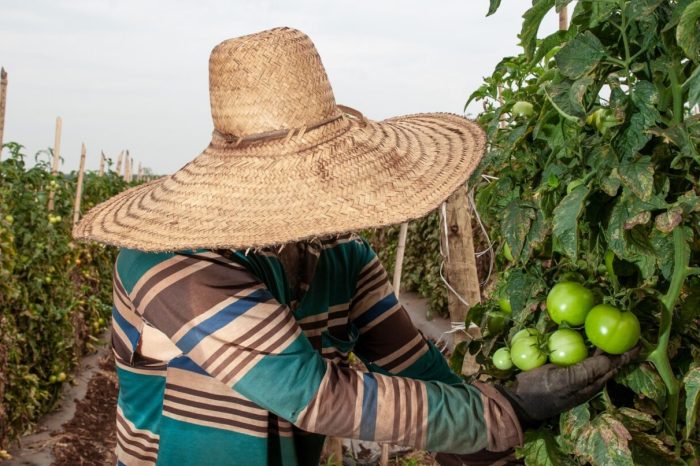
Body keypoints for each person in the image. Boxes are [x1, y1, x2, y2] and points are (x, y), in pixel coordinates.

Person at [74, 27, 638, 466]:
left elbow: (413, 367)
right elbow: (312, 394)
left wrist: (487, 439)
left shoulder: (341, 255)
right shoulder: (169, 262)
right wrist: (510, 409)